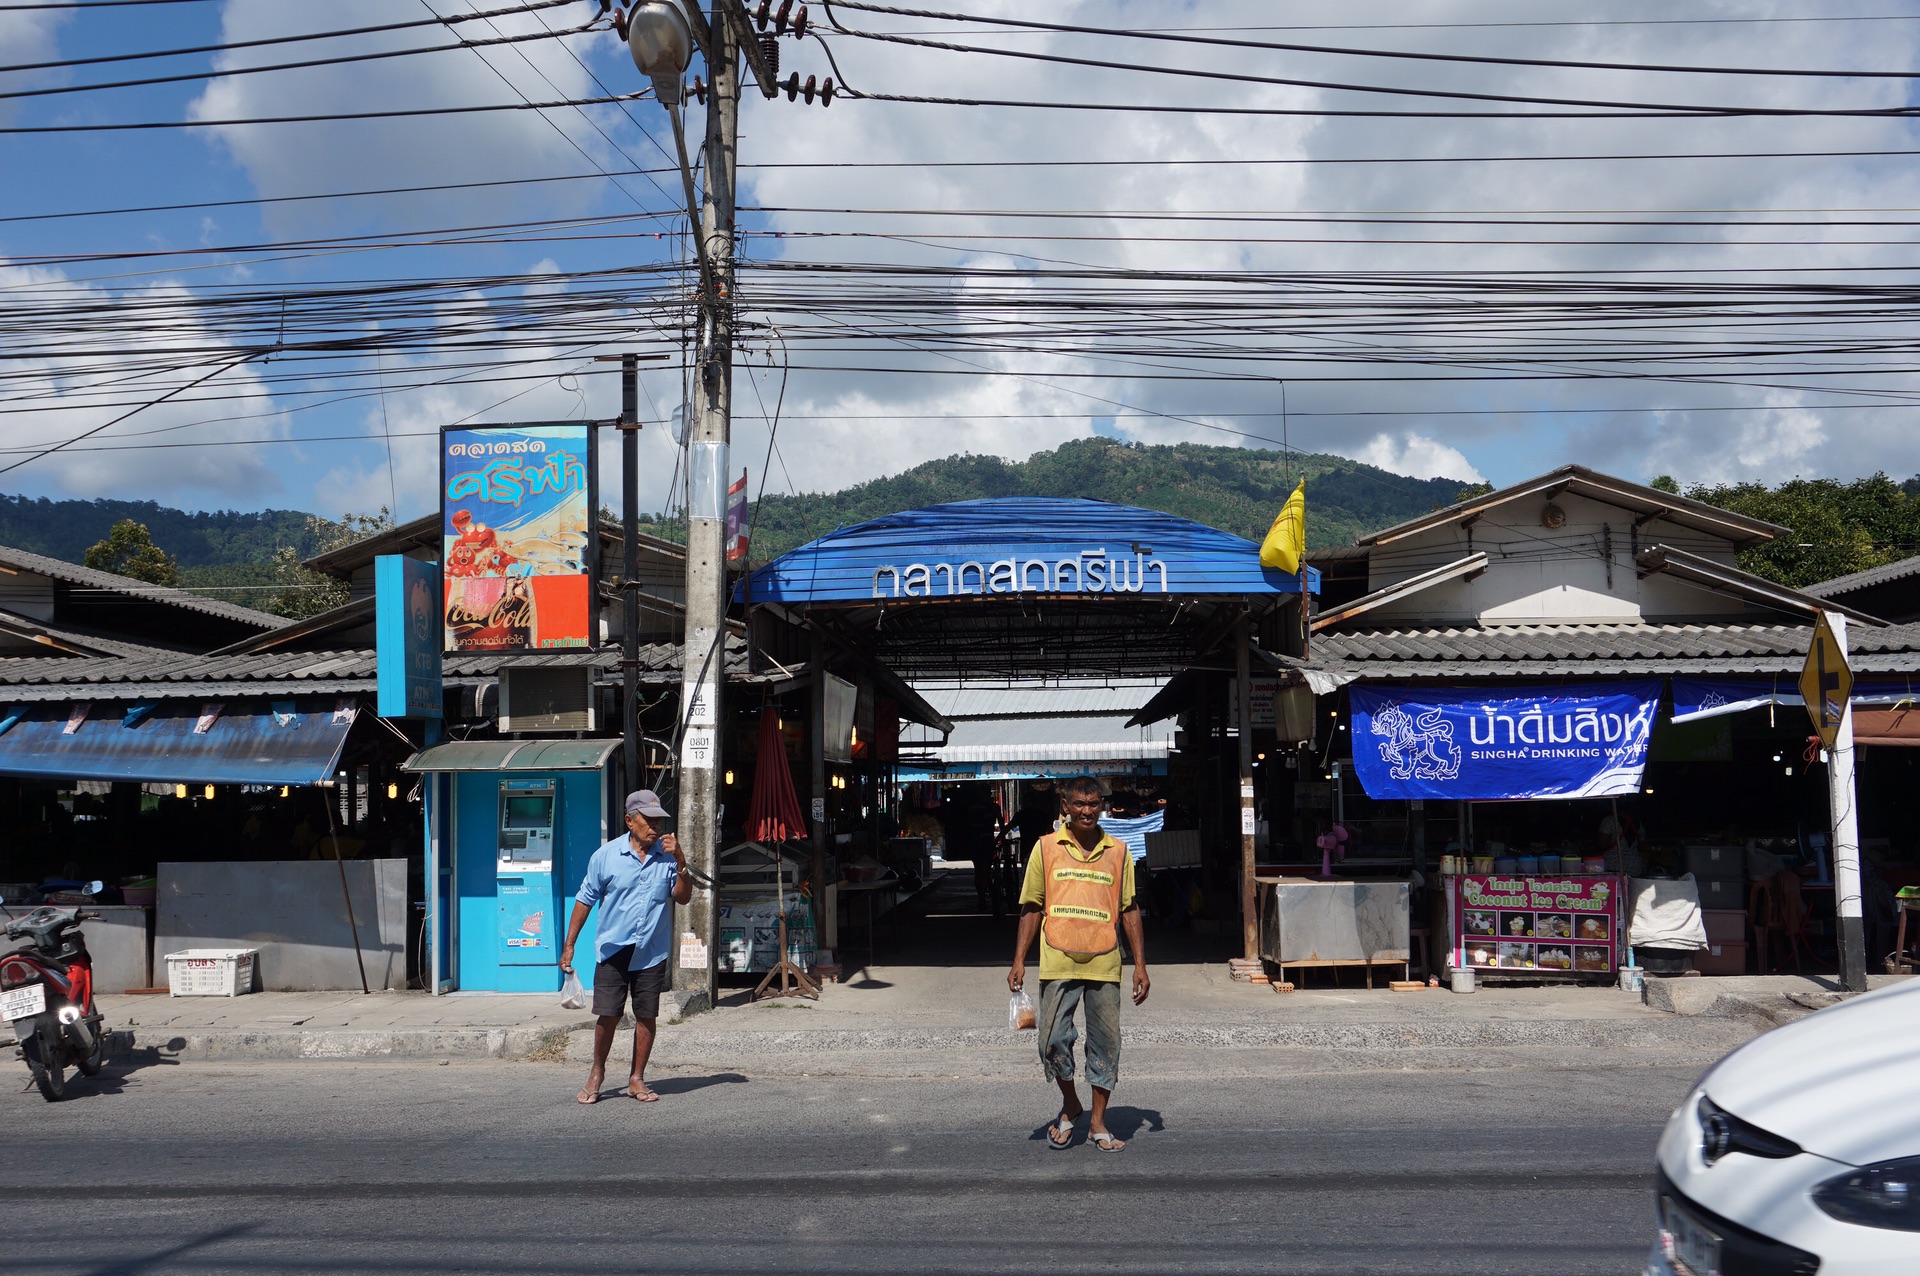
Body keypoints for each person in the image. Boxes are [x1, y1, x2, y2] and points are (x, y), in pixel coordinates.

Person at [1008, 775, 1150, 1152]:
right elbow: (1032, 906)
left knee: (1106, 1044)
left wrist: (1140, 965)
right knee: (1052, 1041)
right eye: (1079, 804)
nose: (1087, 811)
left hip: (1105, 961)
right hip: (1057, 959)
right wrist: (1019, 960)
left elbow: (1130, 909)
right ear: (1066, 808)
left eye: (1093, 804)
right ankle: (1071, 1102)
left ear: (1102, 806)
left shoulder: (1118, 851)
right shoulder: (1045, 848)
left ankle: (1098, 1122)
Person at [560, 789, 693, 1104]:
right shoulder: (605, 856)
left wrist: (682, 861)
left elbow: (684, 897)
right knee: (608, 1015)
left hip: (651, 950)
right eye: (648, 821)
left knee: (646, 1016)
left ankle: (636, 1078)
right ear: (629, 821)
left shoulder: (667, 857)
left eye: (658, 821)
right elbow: (584, 900)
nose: (655, 827)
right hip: (613, 949)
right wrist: (569, 945)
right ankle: (596, 1073)